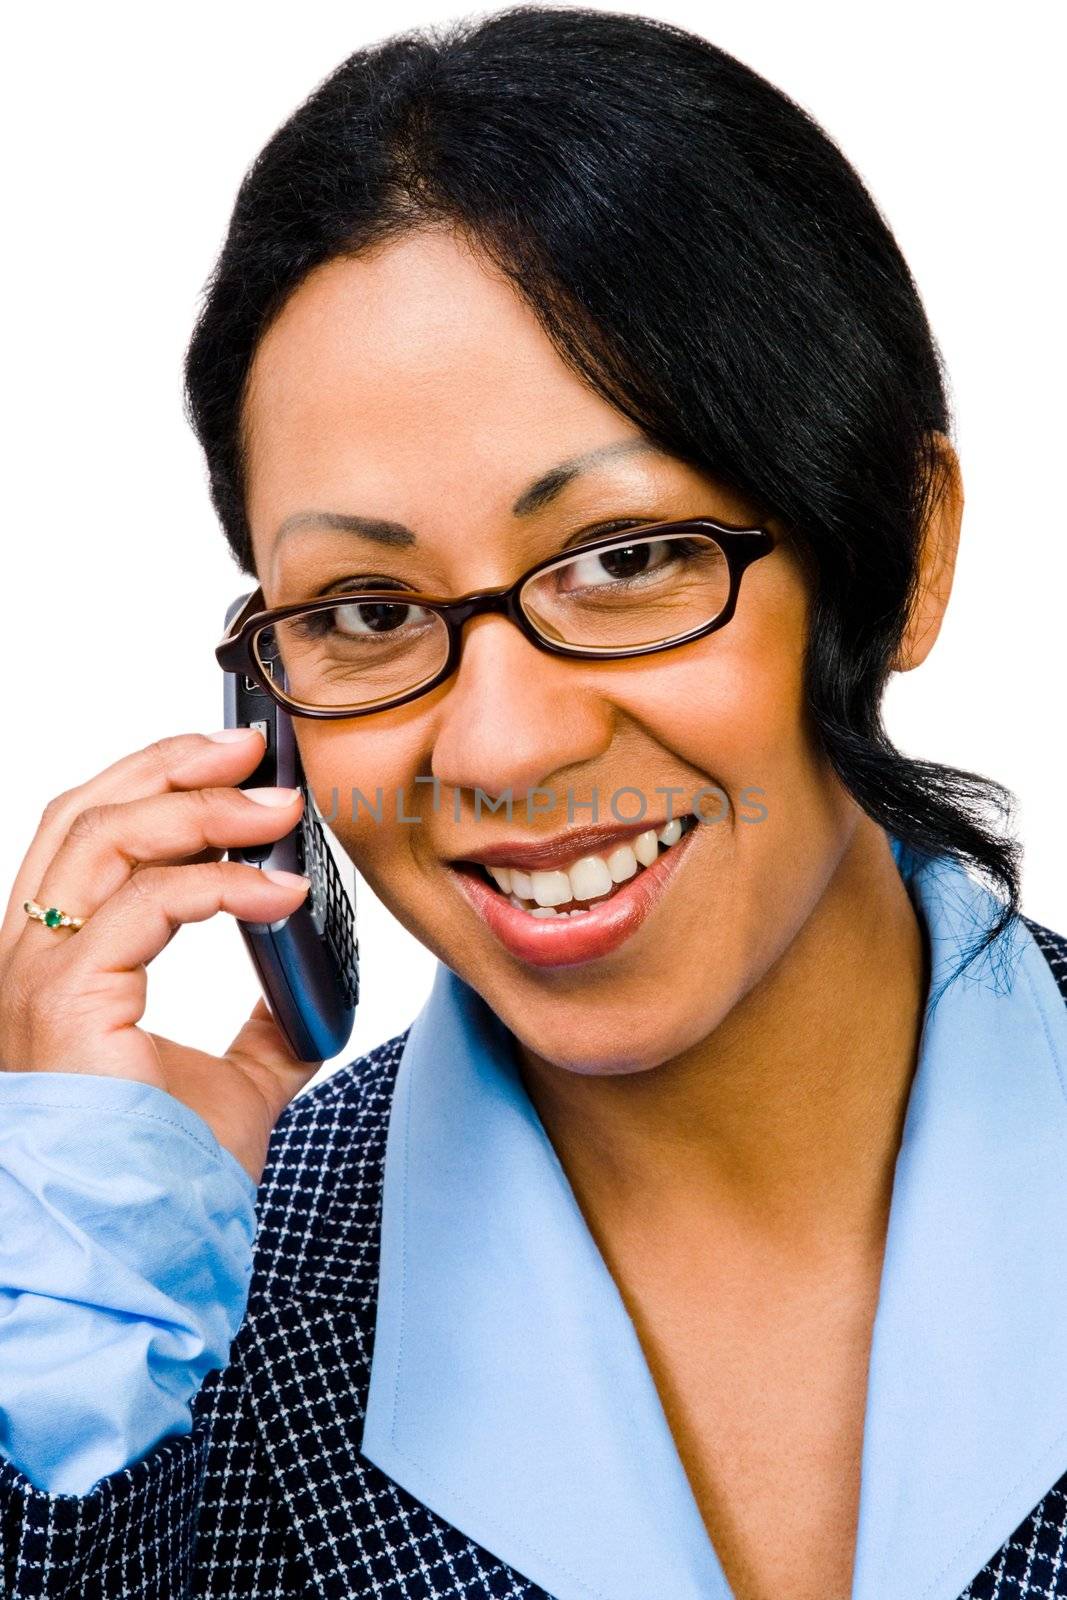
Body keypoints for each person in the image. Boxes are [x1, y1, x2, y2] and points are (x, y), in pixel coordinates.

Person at [2, 8, 1065, 1599]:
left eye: (628, 560)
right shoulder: (152, 1293)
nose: (495, 749)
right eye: (363, 609)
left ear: (899, 557)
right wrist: (73, 1341)